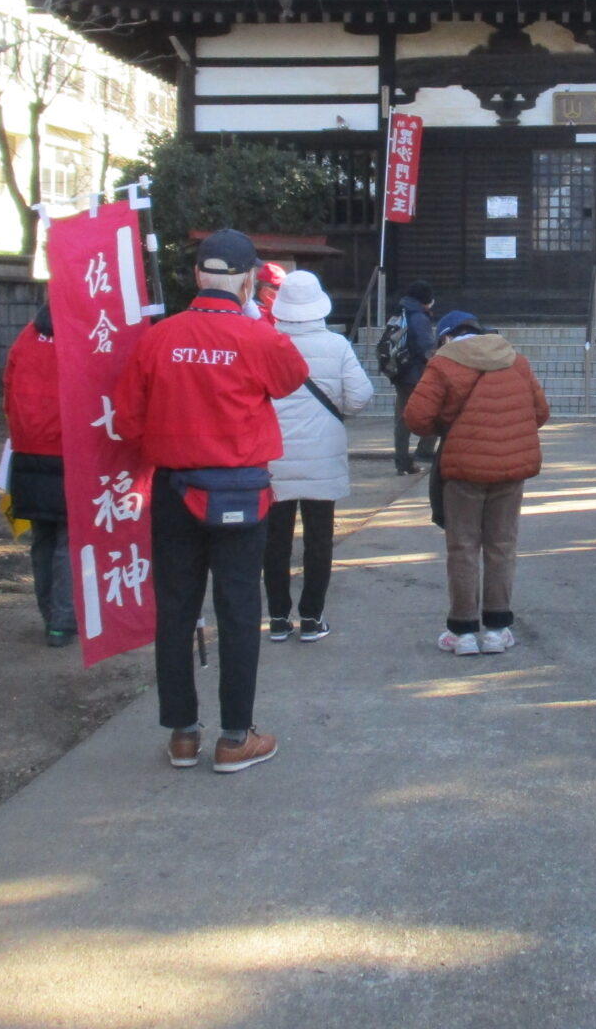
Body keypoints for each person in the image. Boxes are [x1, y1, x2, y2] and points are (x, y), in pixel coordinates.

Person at [113, 229, 309, 772]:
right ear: (248, 281)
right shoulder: (259, 338)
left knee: (175, 609)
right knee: (239, 609)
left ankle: (182, 734)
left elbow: (128, 421)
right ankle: (233, 737)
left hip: (175, 492)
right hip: (241, 492)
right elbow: (292, 378)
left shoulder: (158, 338)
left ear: (198, 275)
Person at [404, 310, 550, 656]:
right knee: (501, 545)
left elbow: (416, 418)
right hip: (510, 469)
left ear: (447, 337)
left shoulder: (443, 364)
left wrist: (447, 426)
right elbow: (540, 413)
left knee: (463, 547)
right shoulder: (516, 361)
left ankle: (464, 632)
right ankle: (498, 629)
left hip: (464, 469)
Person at [263, 270, 374, 643]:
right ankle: (312, 618)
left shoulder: (265, 343)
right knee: (319, 539)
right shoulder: (337, 346)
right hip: (322, 455)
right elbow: (360, 397)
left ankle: (278, 618)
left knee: (275, 540)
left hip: (273, 456)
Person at [3, 297, 74, 647]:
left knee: (42, 539)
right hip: (69, 454)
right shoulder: (83, 336)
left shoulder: (27, 337)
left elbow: (7, 389)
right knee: (70, 540)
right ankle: (62, 621)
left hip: (27, 452)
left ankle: (50, 616)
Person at [390, 280, 440, 475]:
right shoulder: (419, 317)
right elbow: (426, 347)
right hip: (417, 373)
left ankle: (402, 460)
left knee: (401, 418)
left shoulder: (399, 313)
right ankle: (425, 450)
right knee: (435, 410)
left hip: (400, 371)